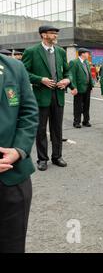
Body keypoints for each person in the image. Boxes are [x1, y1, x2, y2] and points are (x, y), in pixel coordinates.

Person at [0, 53, 39, 253]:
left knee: (13, 244)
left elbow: (29, 112)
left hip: (12, 177)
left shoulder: (14, 67)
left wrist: (19, 150)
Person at [22, 25, 71, 171]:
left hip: (58, 96)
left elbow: (68, 72)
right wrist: (40, 79)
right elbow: (23, 72)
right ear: (43, 35)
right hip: (41, 97)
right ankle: (42, 159)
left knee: (57, 129)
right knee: (41, 130)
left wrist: (67, 80)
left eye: (56, 33)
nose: (55, 36)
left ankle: (57, 156)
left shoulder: (61, 52)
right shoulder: (32, 51)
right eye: (52, 33)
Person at [70, 48, 95, 129]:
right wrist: (73, 87)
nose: (88, 55)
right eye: (87, 53)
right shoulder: (74, 62)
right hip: (79, 88)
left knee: (87, 105)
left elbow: (89, 75)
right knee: (78, 105)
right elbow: (72, 76)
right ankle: (76, 122)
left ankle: (86, 121)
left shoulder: (86, 62)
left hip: (87, 87)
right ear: (82, 54)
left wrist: (92, 85)